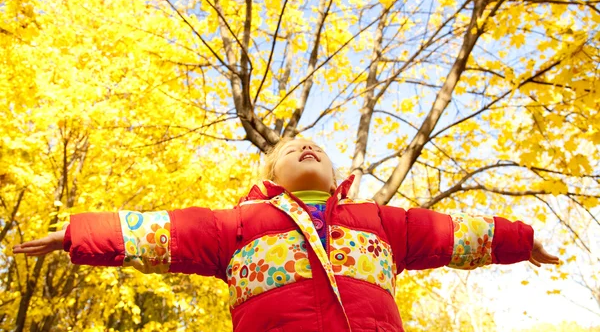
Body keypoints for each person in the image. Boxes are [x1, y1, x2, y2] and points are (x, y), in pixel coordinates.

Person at [13, 138, 559, 331]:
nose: (307, 147)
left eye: (317, 147)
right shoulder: (240, 225)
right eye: (292, 148)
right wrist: (81, 233)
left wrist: (520, 239)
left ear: (336, 173)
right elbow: (163, 231)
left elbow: (449, 233)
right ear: (269, 177)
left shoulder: (379, 221)